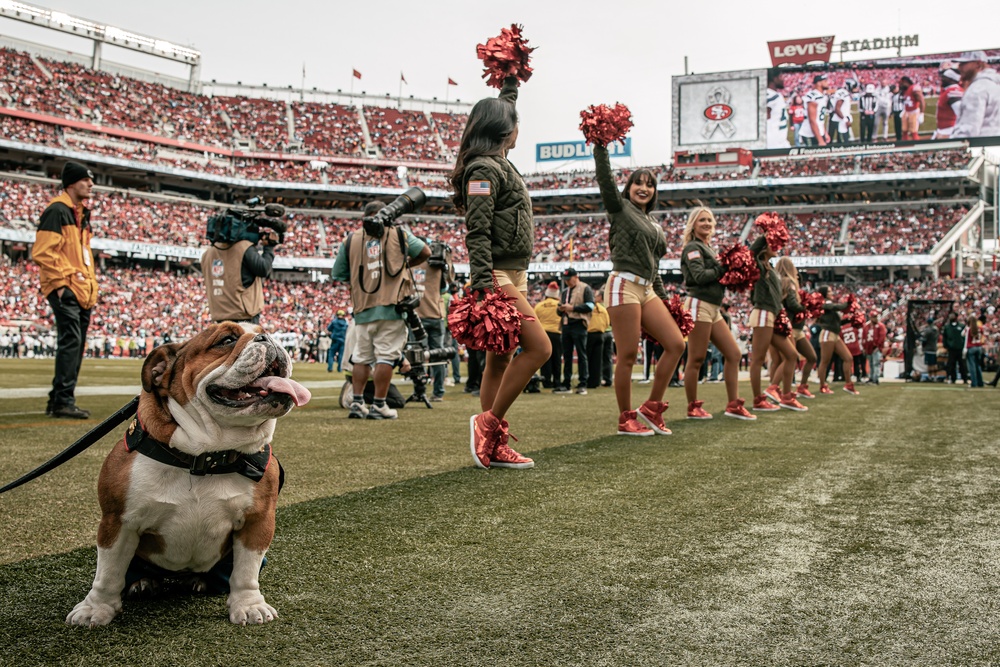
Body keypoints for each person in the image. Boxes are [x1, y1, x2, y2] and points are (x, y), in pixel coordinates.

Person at [450, 74, 549, 469]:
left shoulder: (499, 163)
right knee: (541, 348)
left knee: (500, 361)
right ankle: (488, 425)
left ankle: (492, 444)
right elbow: (477, 229)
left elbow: (505, 104)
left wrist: (511, 79)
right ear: (504, 129)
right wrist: (481, 284)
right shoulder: (484, 170)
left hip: (513, 273)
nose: (519, 127)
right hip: (496, 275)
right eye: (515, 121)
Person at [593, 142, 685, 435]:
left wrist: (667, 301)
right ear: (629, 187)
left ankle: (652, 407)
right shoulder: (619, 208)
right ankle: (625, 417)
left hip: (648, 289)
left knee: (676, 344)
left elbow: (655, 267)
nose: (644, 188)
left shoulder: (654, 223)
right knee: (629, 355)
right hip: (623, 284)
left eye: (650, 185)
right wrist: (600, 147)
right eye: (638, 183)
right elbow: (605, 179)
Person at [330, 200, 430, 420]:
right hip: (392, 305)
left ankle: (357, 403)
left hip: (363, 307)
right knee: (386, 355)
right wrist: (404, 264)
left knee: (361, 357)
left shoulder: (351, 239)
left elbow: (337, 273)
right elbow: (425, 251)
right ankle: (379, 405)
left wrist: (361, 275)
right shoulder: (398, 233)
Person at [32, 161, 98, 419]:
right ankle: (62, 401)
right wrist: (61, 286)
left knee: (75, 344)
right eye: (85, 180)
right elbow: (43, 252)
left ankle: (59, 399)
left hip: (80, 289)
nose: (91, 184)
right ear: (71, 183)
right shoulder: (58, 211)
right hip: (67, 287)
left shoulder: (79, 213)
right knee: (71, 342)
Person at [680, 206, 755, 421]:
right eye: (702, 220)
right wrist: (724, 267)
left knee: (733, 354)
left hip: (713, 308)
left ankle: (733, 404)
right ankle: (692, 406)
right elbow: (699, 276)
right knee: (696, 358)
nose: (706, 224)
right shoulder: (693, 248)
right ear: (693, 224)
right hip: (698, 304)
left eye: (710, 221)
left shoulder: (708, 248)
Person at [746, 235, 806, 413]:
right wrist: (766, 234)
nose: (777, 246)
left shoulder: (770, 268)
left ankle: (786, 396)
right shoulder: (758, 264)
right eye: (772, 244)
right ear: (764, 247)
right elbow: (751, 254)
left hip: (772, 315)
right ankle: (758, 399)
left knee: (791, 354)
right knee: (758, 359)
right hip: (763, 314)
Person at [201, 215, 279, 325]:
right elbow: (263, 269)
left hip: (219, 315)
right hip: (243, 315)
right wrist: (269, 247)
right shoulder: (244, 248)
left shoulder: (208, 254)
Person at [414, 238, 455, 402]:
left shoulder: (411, 265)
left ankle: (420, 390)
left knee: (417, 356)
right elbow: (444, 289)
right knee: (438, 355)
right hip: (436, 315)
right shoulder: (437, 266)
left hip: (418, 317)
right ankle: (438, 391)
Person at [775, 257, 816, 398]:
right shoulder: (789, 282)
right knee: (789, 358)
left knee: (809, 357)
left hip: (791, 327)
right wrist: (806, 308)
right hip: (790, 327)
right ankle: (775, 389)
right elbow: (792, 304)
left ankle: (797, 388)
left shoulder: (778, 282)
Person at [814, 286, 859, 395]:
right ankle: (822, 386)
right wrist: (848, 303)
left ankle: (848, 384)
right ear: (824, 293)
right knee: (825, 361)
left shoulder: (829, 305)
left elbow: (837, 324)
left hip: (835, 334)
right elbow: (836, 307)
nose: (831, 292)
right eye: (829, 291)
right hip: (827, 334)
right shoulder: (823, 304)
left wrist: (851, 320)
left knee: (848, 357)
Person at [557, 267, 594, 395]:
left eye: (569, 279)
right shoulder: (564, 292)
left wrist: (572, 308)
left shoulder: (585, 288)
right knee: (567, 355)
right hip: (566, 325)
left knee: (581, 355)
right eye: (566, 280)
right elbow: (558, 311)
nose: (567, 282)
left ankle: (583, 383)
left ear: (576, 277)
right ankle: (566, 383)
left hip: (579, 323)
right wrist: (561, 309)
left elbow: (590, 306)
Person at [951, 51, 1000, 139]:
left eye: (964, 63)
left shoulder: (977, 89)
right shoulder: (995, 84)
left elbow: (968, 131)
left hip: (981, 146)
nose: (959, 67)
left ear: (978, 64)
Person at [534, 281, 563, 389]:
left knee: (545, 360)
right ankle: (557, 382)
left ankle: (546, 382)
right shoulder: (560, 305)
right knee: (557, 360)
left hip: (543, 334)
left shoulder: (539, 306)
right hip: (557, 334)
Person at [586, 290, 611, 390]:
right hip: (601, 334)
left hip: (590, 334)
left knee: (588, 358)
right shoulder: (603, 309)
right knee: (598, 359)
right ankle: (596, 381)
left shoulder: (589, 309)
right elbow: (607, 322)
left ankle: (588, 379)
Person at [800, 74, 831, 147]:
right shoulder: (814, 97)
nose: (827, 83)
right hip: (810, 134)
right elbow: (812, 120)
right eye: (825, 81)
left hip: (819, 132)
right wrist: (820, 140)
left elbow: (820, 119)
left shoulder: (822, 96)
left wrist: (825, 133)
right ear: (819, 83)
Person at [933, 69, 965, 140]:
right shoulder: (948, 90)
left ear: (951, 79)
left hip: (948, 131)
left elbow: (961, 113)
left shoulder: (953, 90)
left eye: (944, 77)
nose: (942, 79)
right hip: (944, 130)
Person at [766, 68, 790, 149]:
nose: (783, 79)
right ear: (774, 78)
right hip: (773, 143)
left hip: (781, 141)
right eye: (780, 76)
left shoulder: (776, 95)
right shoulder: (770, 95)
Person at [942, 310, 968, 384]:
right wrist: (946, 346)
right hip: (951, 349)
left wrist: (964, 346)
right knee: (951, 364)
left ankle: (965, 378)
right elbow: (945, 337)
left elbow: (964, 337)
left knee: (962, 365)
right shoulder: (947, 327)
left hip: (960, 348)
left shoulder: (961, 326)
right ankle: (953, 378)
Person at [862, 311, 887, 386]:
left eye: (876, 317)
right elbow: (864, 337)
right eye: (873, 317)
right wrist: (864, 347)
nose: (875, 318)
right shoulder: (867, 326)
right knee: (871, 364)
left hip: (876, 348)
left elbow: (882, 337)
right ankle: (871, 378)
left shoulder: (880, 326)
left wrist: (878, 346)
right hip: (869, 348)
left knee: (875, 363)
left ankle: (875, 379)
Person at [830, 78, 857, 144]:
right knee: (844, 142)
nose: (854, 89)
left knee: (841, 141)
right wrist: (845, 120)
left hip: (839, 119)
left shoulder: (844, 92)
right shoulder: (843, 93)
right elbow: (837, 108)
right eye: (854, 87)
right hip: (840, 120)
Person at [898, 76, 924, 141]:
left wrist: (921, 114)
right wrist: (904, 110)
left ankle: (916, 148)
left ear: (906, 82)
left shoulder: (914, 88)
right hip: (907, 111)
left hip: (914, 111)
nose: (901, 85)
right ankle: (905, 147)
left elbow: (921, 101)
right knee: (904, 130)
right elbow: (906, 102)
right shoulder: (905, 90)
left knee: (913, 131)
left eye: (902, 83)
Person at [965, 315, 985, 388]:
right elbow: (983, 336)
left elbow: (964, 336)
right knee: (978, 365)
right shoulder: (980, 328)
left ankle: (974, 382)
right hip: (979, 347)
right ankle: (980, 382)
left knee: (972, 366)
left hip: (971, 347)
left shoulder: (969, 329)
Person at [920, 315, 940, 379]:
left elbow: (924, 340)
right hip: (934, 347)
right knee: (934, 363)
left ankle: (930, 376)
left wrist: (923, 346)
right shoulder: (936, 330)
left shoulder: (927, 330)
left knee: (929, 364)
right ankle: (935, 376)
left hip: (928, 348)